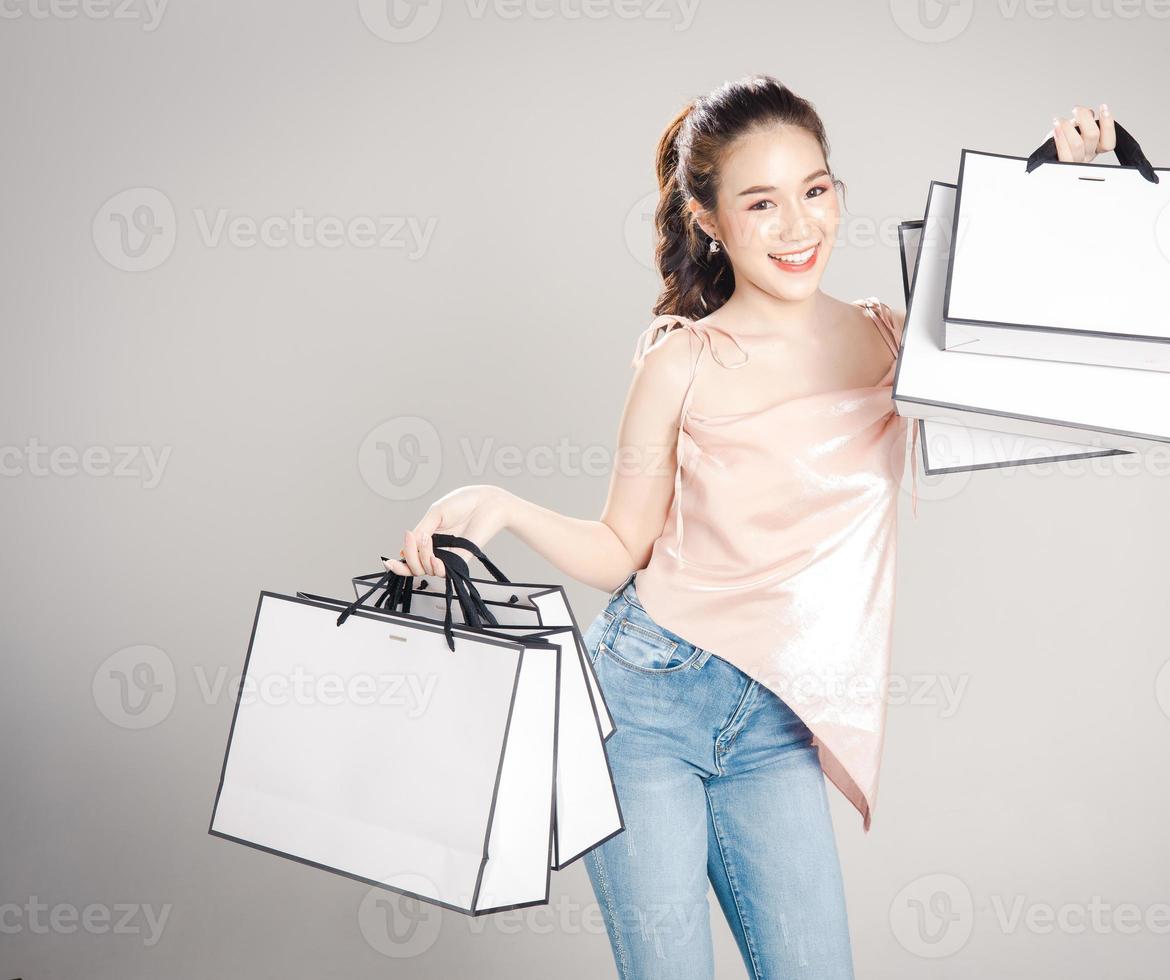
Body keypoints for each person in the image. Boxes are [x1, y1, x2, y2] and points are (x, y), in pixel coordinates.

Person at [382, 75, 1120, 980]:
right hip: (644, 709)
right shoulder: (680, 362)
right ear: (709, 219)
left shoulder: (894, 345)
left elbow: (1030, 325)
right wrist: (501, 504)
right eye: (760, 203)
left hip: (776, 724)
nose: (799, 227)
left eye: (815, 191)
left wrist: (1070, 181)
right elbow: (621, 550)